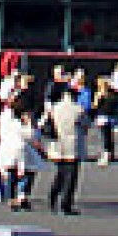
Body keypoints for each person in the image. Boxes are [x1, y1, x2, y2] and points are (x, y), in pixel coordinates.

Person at [42, 78, 88, 216]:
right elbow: (86, 124)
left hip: (57, 145)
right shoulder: (78, 110)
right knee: (71, 177)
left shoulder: (55, 108)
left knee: (60, 174)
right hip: (72, 146)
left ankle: (52, 198)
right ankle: (66, 204)